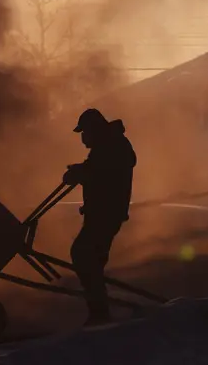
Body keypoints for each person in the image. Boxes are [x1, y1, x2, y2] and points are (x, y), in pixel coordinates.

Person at [63, 107, 137, 326]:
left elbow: (104, 173)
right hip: (101, 214)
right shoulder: (107, 146)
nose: (83, 138)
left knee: (84, 255)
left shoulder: (114, 146)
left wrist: (82, 173)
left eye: (84, 133)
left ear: (94, 130)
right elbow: (97, 168)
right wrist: (81, 170)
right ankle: (98, 309)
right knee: (88, 258)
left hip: (106, 215)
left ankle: (99, 312)